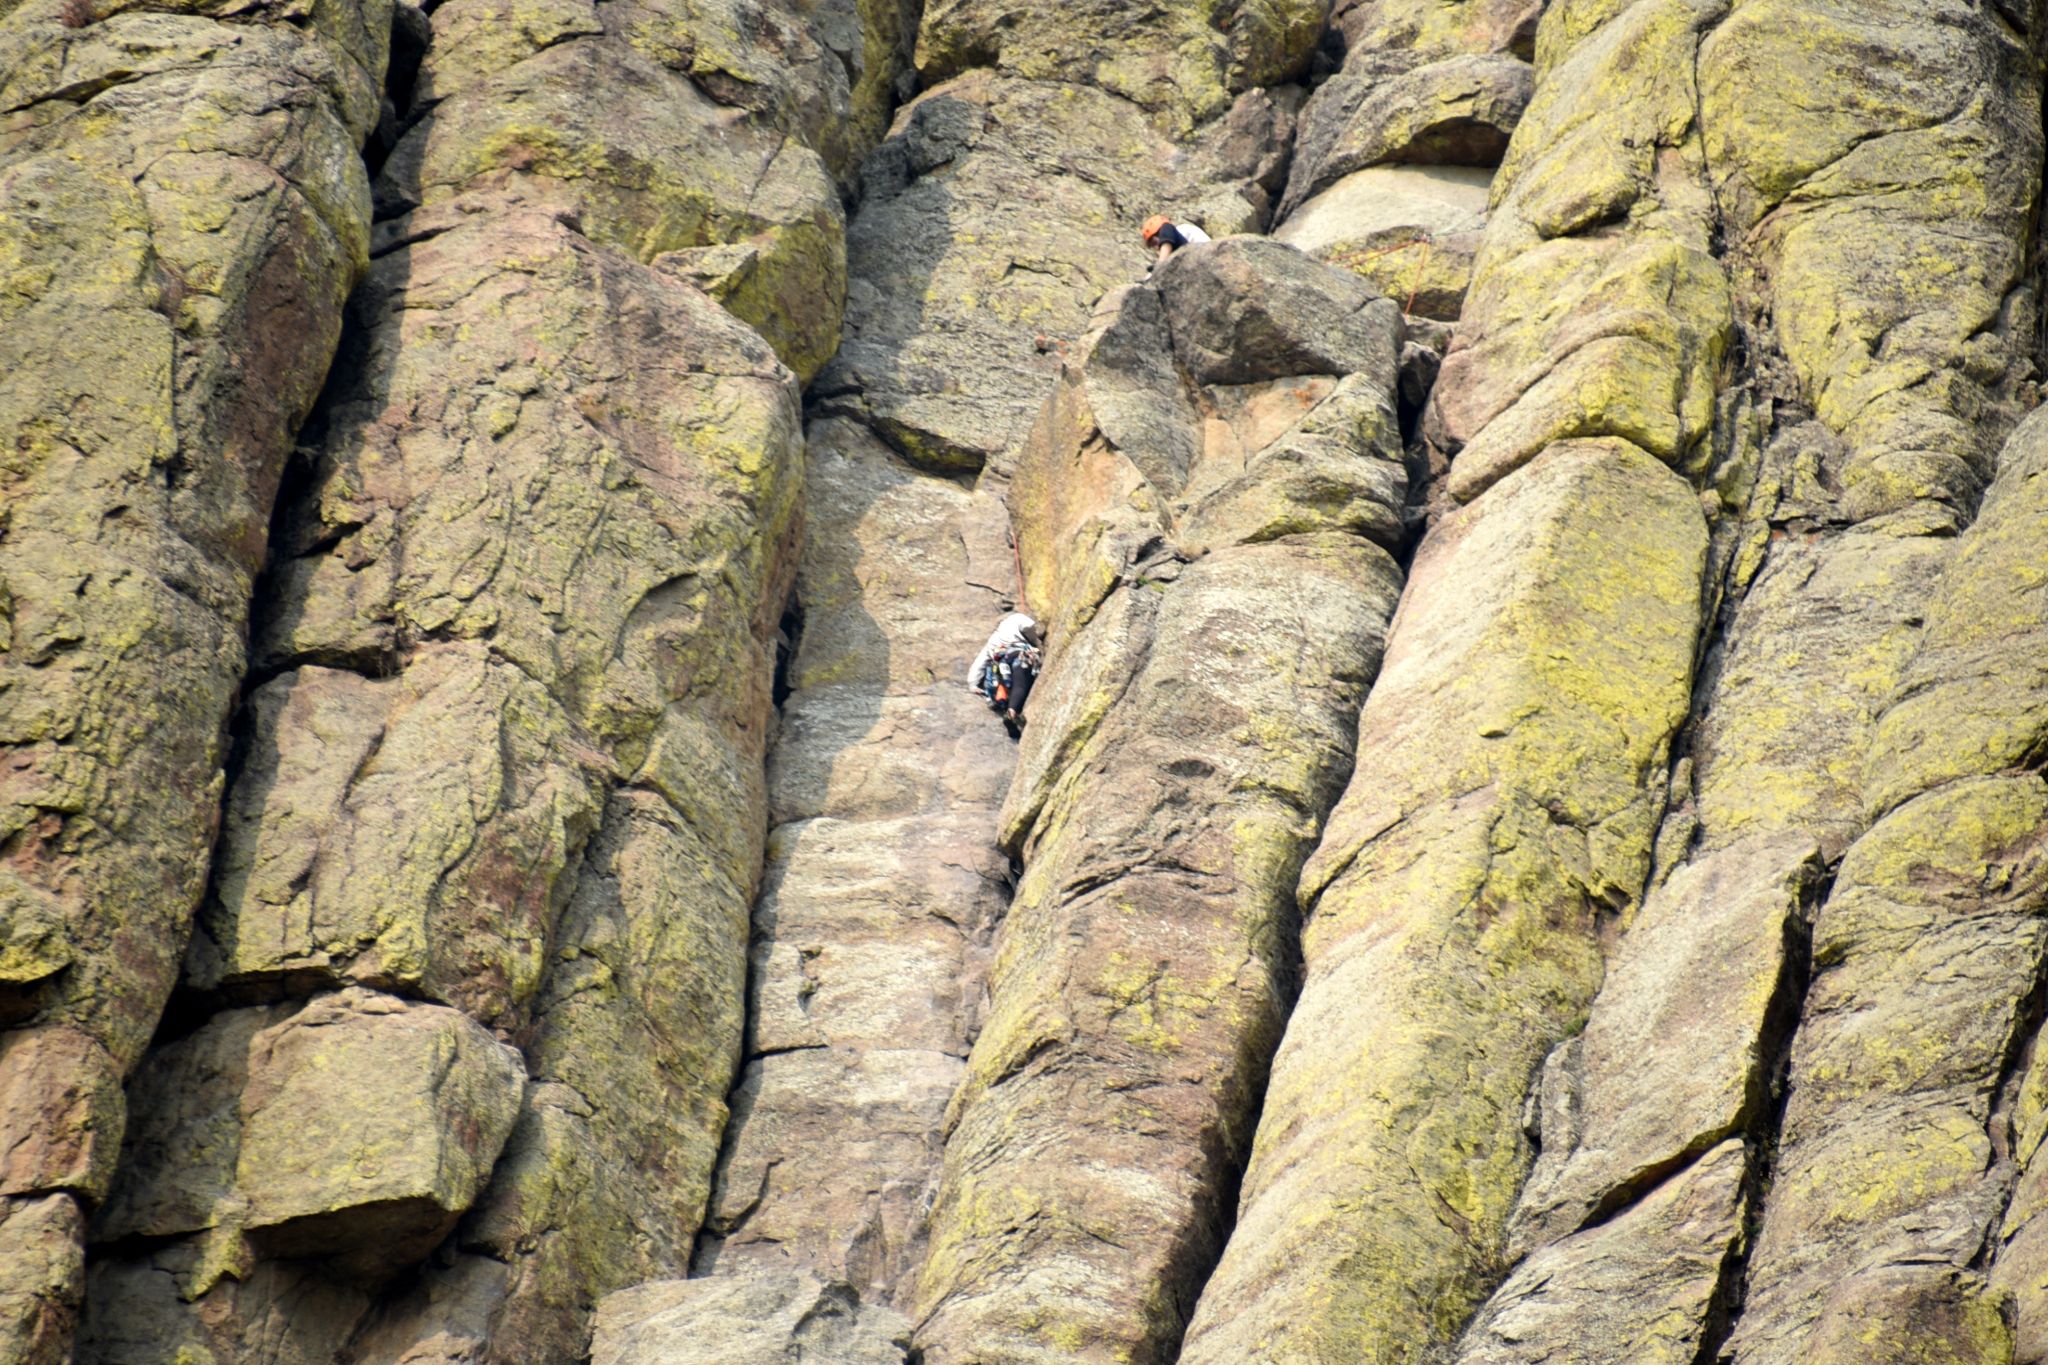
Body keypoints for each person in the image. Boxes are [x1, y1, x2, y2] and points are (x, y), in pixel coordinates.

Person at [969, 611, 1042, 735]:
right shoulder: (1015, 618)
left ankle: (1006, 706)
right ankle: (1012, 711)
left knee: (1006, 685)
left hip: (999, 664)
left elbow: (979, 663)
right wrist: (1034, 641)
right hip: (1018, 655)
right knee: (1020, 684)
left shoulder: (993, 640)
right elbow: (1029, 626)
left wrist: (973, 684)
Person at [1141, 214, 1211, 266]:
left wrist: (1160, 264)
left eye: (1154, 242)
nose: (1156, 247)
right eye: (1152, 246)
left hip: (1205, 255)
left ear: (1158, 233)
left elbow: (1167, 238)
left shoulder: (1174, 229)